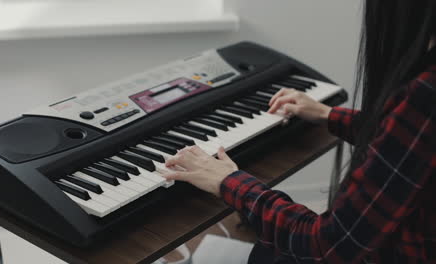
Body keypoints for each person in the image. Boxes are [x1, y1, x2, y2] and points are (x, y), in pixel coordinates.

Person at [163, 1, 436, 263]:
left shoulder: (425, 94)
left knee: (268, 254)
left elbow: (325, 246)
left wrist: (228, 181)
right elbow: (406, 142)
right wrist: (328, 113)